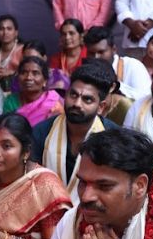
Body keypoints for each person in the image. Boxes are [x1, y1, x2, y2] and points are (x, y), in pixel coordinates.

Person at [31, 62, 118, 203]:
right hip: (46, 207)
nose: (77, 103)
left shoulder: (114, 137)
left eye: (87, 99)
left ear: (101, 107)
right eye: (73, 95)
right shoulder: (42, 131)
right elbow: (31, 180)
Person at [83, 26, 151, 101]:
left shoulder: (133, 65)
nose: (96, 57)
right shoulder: (85, 70)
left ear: (114, 49)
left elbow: (146, 99)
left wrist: (116, 87)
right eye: (91, 53)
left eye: (101, 52)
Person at [3, 56, 64, 126]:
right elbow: (8, 127)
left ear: (45, 81)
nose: (28, 77)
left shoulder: (54, 103)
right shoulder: (11, 101)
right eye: (24, 72)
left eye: (35, 73)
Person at [0, 14, 24, 91]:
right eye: (1, 29)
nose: (5, 32)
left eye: (9, 29)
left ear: (16, 33)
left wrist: (12, 73)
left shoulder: (24, 51)